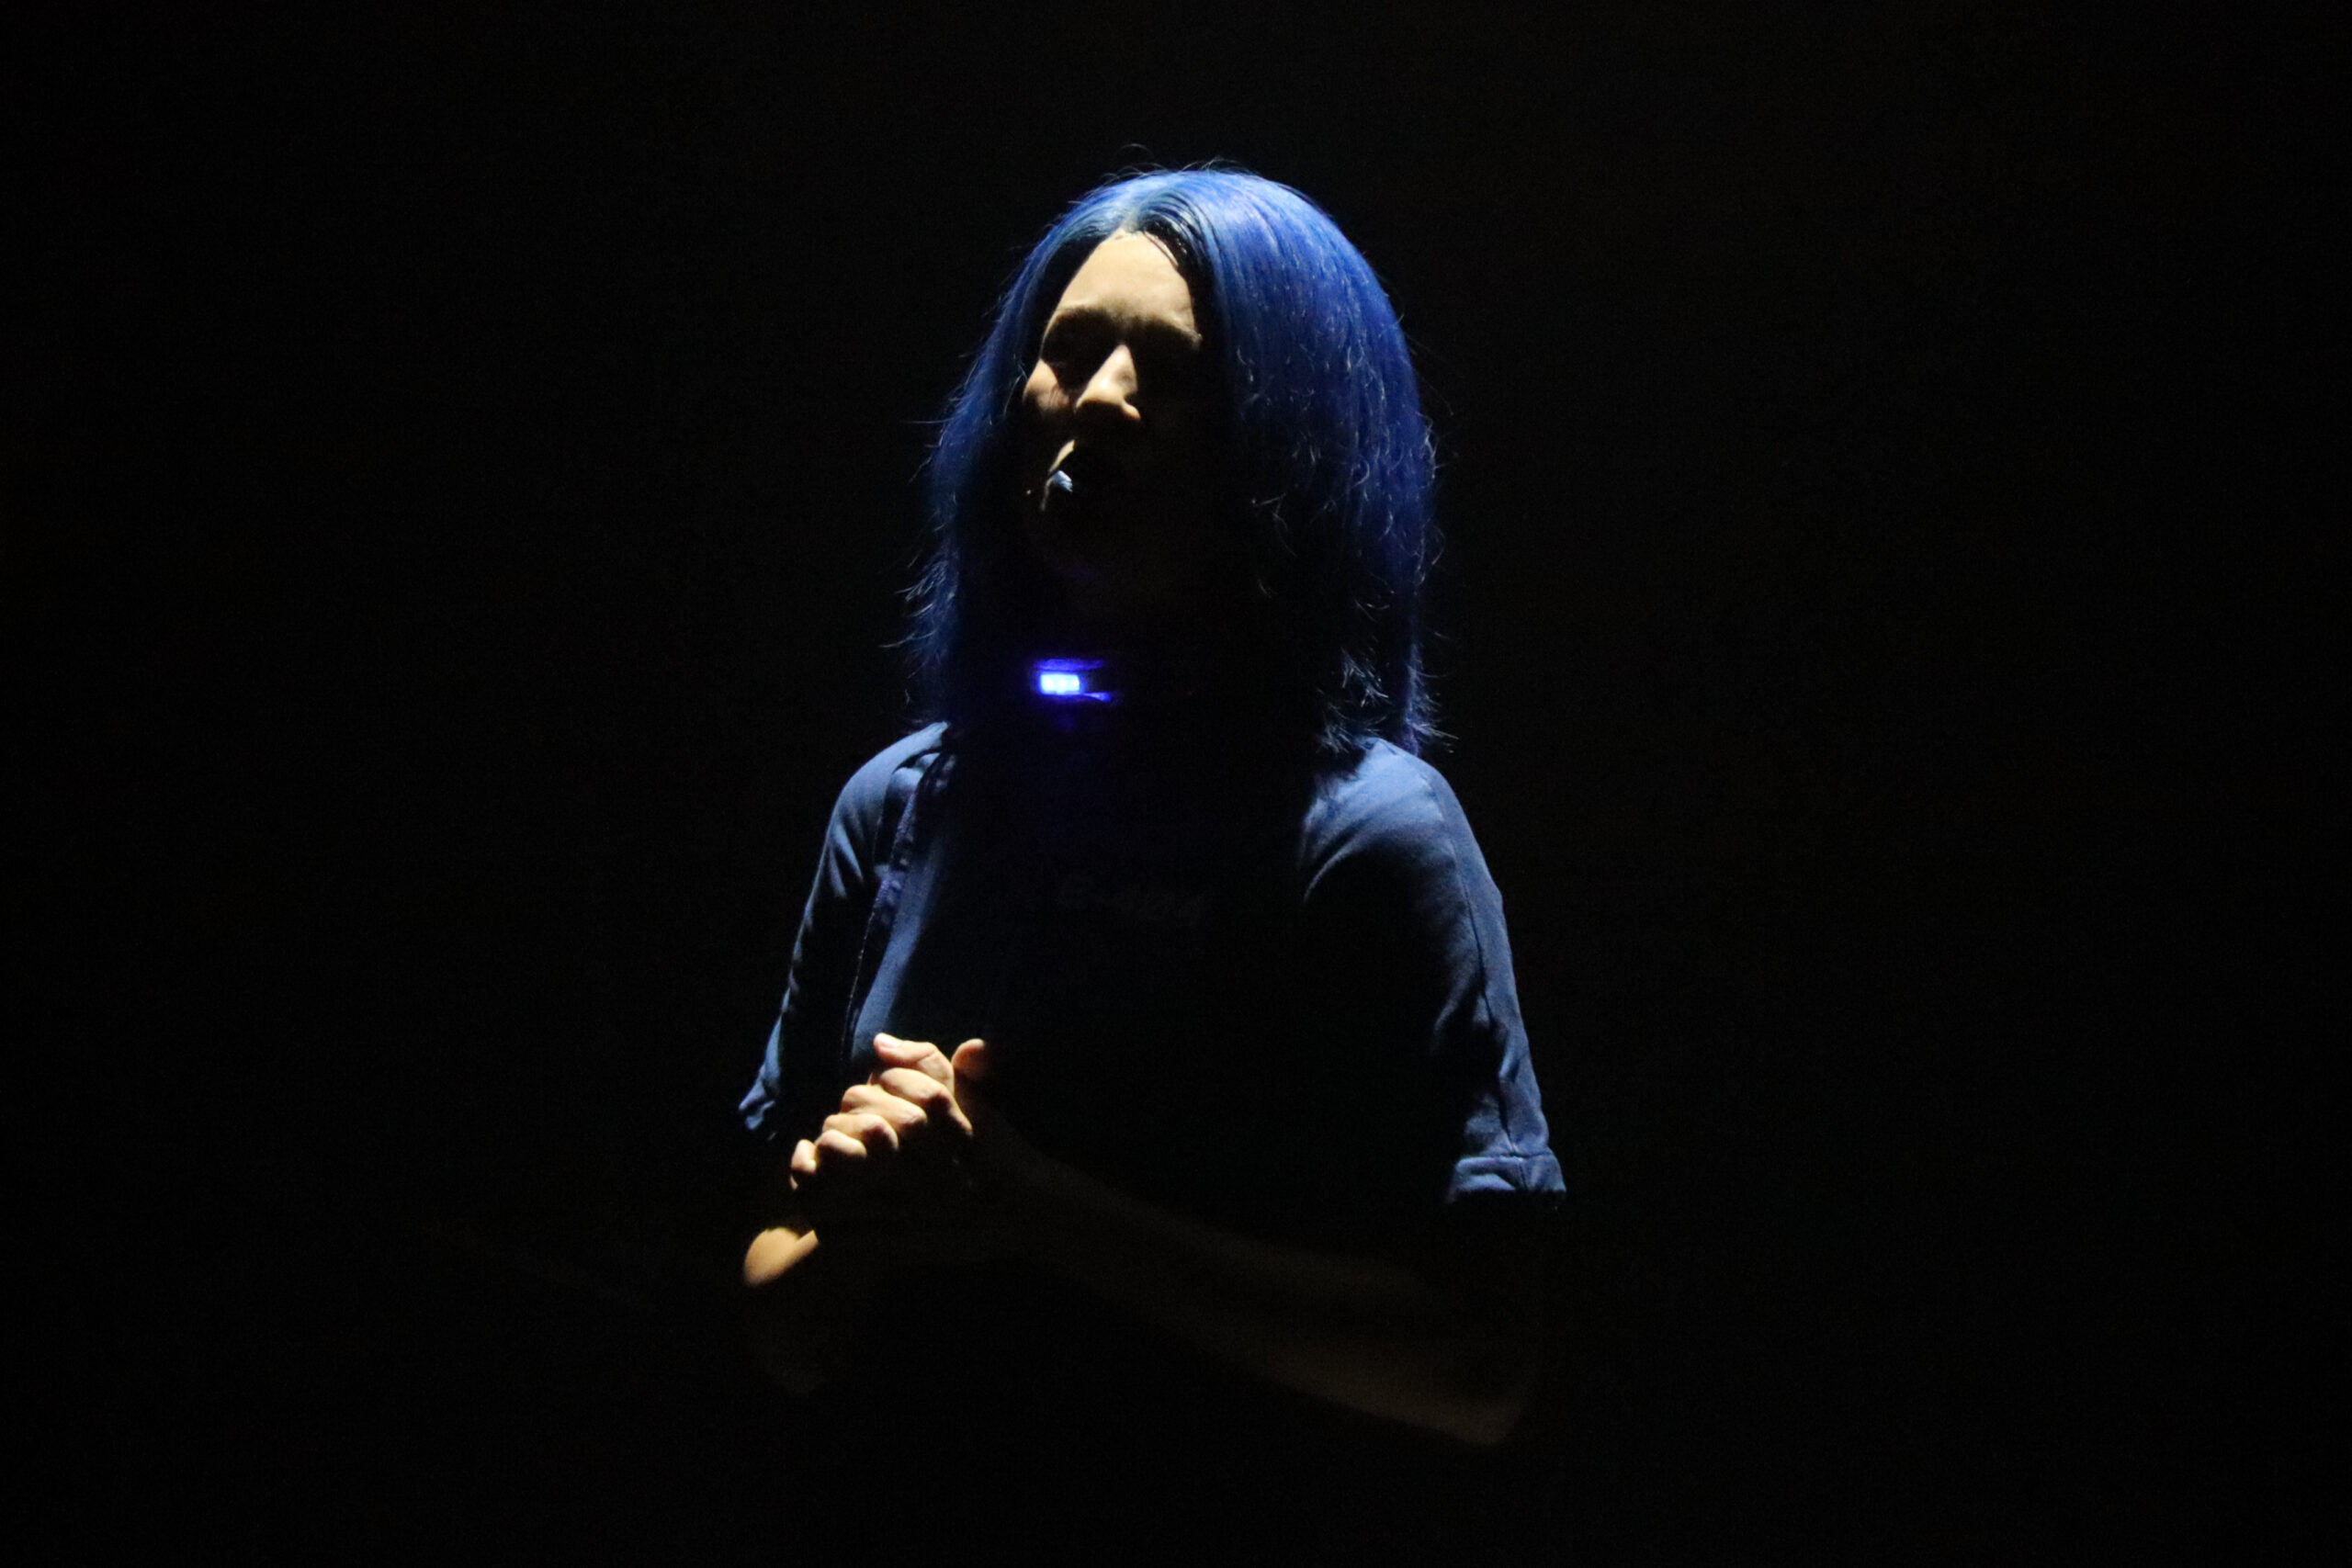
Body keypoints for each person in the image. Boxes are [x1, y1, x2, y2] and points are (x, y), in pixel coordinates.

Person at [736, 170, 1564, 1551]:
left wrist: (1034, 1208)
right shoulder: (897, 808)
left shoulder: (1371, 836)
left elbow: (1478, 1369)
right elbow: (777, 1321)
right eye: (1068, 352)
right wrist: (868, 1217)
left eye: (1172, 374)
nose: (1102, 400)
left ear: (1289, 440)